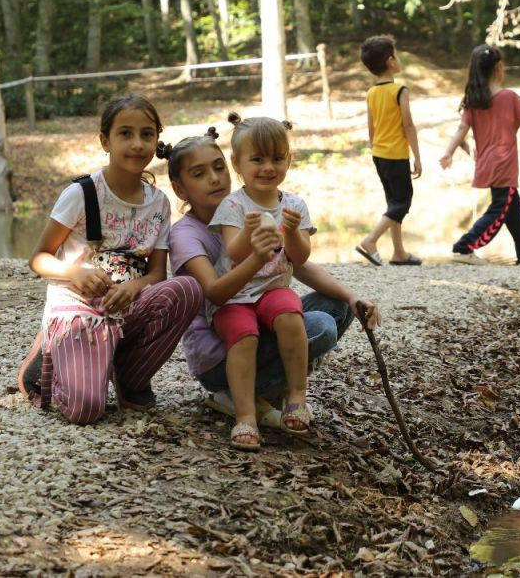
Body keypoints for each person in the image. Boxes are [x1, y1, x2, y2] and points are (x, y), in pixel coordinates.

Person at [159, 127, 381, 450]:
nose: (215, 178)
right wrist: (256, 253)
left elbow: (297, 262)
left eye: (218, 167)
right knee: (320, 327)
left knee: (338, 306)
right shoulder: (187, 234)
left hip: (262, 310)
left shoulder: (258, 206)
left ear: (230, 166)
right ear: (180, 189)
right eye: (199, 173)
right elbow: (217, 293)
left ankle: (283, 395)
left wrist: (351, 295)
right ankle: (237, 400)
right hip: (221, 350)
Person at [15, 94, 203, 425]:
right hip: (82, 310)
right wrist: (73, 272)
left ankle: (130, 378)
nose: (137, 144)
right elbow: (39, 258)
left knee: (187, 288)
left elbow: (158, 274)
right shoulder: (83, 194)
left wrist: (135, 286)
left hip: (127, 307)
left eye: (147, 134)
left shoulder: (158, 204)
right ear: (105, 140)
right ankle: (47, 357)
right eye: (125, 134)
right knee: (86, 411)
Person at [210, 113, 315, 446]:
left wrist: (293, 231)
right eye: (257, 159)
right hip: (235, 295)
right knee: (243, 336)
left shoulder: (295, 205)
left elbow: (300, 258)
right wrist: (251, 234)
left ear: (289, 160)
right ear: (237, 163)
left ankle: (296, 396)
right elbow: (234, 252)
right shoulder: (233, 205)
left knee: (290, 311)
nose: (268, 167)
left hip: (273, 289)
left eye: (277, 158)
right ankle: (244, 416)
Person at [439, 44, 520, 266]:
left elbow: (462, 130)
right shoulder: (509, 97)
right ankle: (464, 247)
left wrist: (448, 152)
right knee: (499, 209)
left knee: (512, 206)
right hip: (503, 163)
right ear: (499, 68)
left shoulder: (475, 100)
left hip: (487, 163)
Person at [354, 34, 423, 267]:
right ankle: (370, 240)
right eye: (397, 55)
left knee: (393, 204)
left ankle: (399, 252)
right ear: (390, 61)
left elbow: (371, 128)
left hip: (379, 154)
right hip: (396, 155)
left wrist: (376, 149)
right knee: (402, 202)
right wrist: (417, 157)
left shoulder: (372, 92)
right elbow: (409, 125)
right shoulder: (399, 90)